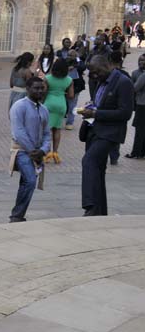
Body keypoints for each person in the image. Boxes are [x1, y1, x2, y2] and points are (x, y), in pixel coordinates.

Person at [79, 55, 134, 216]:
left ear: (107, 65)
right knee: (97, 169)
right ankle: (100, 211)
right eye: (91, 73)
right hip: (94, 130)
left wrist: (96, 113)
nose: (94, 76)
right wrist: (90, 108)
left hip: (110, 133)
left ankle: (90, 206)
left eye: (97, 72)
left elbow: (125, 113)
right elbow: (98, 103)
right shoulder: (99, 82)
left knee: (88, 161)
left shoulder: (124, 83)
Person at [8, 77, 50, 223]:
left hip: (37, 153)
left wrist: (43, 150)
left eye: (41, 88)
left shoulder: (44, 110)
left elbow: (47, 134)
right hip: (21, 151)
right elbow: (18, 132)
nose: (39, 91)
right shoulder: (19, 106)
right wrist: (33, 151)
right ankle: (17, 215)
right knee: (30, 181)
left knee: (26, 182)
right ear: (28, 89)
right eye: (36, 88)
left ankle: (18, 214)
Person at [42, 57, 74, 164]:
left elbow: (44, 92)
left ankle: (46, 152)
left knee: (47, 130)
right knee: (57, 129)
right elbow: (71, 95)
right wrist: (61, 92)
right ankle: (55, 152)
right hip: (61, 104)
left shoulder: (48, 78)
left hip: (49, 103)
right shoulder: (69, 80)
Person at [126, 54, 145, 159]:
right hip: (139, 103)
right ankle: (141, 152)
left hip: (142, 105)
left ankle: (136, 152)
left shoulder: (143, 75)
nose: (141, 62)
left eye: (143, 60)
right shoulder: (135, 73)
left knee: (140, 130)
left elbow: (134, 88)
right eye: (140, 60)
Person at [65, 51, 85, 130]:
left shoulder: (79, 63)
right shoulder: (64, 62)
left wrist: (75, 64)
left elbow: (83, 67)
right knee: (64, 105)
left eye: (72, 55)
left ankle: (70, 122)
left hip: (75, 87)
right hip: (64, 86)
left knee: (72, 105)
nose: (70, 57)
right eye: (69, 55)